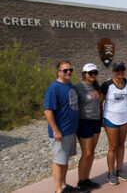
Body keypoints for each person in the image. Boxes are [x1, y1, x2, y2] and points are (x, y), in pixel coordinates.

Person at [44, 60, 79, 193]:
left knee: (64, 160)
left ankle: (64, 185)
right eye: (65, 70)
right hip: (60, 132)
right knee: (59, 161)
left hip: (70, 130)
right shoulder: (54, 88)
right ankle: (58, 190)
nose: (68, 72)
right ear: (58, 72)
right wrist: (55, 130)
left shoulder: (69, 85)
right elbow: (48, 110)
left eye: (70, 70)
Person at [101, 61, 127, 185]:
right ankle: (110, 173)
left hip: (124, 119)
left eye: (122, 69)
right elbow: (99, 102)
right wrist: (101, 119)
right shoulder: (107, 84)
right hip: (111, 118)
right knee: (112, 147)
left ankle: (119, 170)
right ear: (113, 71)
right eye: (117, 70)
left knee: (121, 145)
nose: (120, 72)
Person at [74, 63, 102, 191]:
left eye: (95, 73)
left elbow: (100, 104)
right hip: (84, 122)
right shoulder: (78, 87)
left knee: (91, 153)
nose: (93, 75)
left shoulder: (97, 88)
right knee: (87, 153)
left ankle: (86, 179)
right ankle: (81, 182)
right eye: (90, 73)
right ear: (84, 74)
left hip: (96, 121)